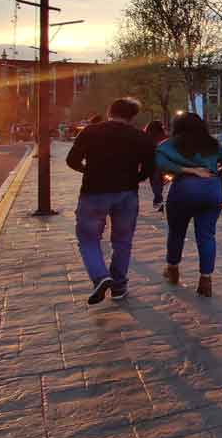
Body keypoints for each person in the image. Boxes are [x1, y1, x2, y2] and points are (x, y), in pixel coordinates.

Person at [66, 98, 156, 305]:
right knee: (123, 241)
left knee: (88, 238)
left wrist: (88, 170)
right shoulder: (140, 137)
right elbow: (150, 168)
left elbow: (72, 160)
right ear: (132, 116)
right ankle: (119, 285)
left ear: (109, 112)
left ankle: (100, 276)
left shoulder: (90, 131)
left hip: (94, 192)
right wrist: (134, 179)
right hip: (127, 194)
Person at [155, 113, 222, 297]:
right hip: (211, 190)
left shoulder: (171, 144)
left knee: (176, 232)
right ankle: (205, 280)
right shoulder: (212, 144)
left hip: (183, 190)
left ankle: (173, 269)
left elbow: (160, 162)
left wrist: (186, 170)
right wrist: (216, 173)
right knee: (207, 235)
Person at [143, 120, 168, 211]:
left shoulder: (146, 137)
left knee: (155, 182)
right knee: (159, 182)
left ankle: (158, 199)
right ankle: (158, 199)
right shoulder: (164, 136)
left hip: (153, 163)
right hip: (163, 162)